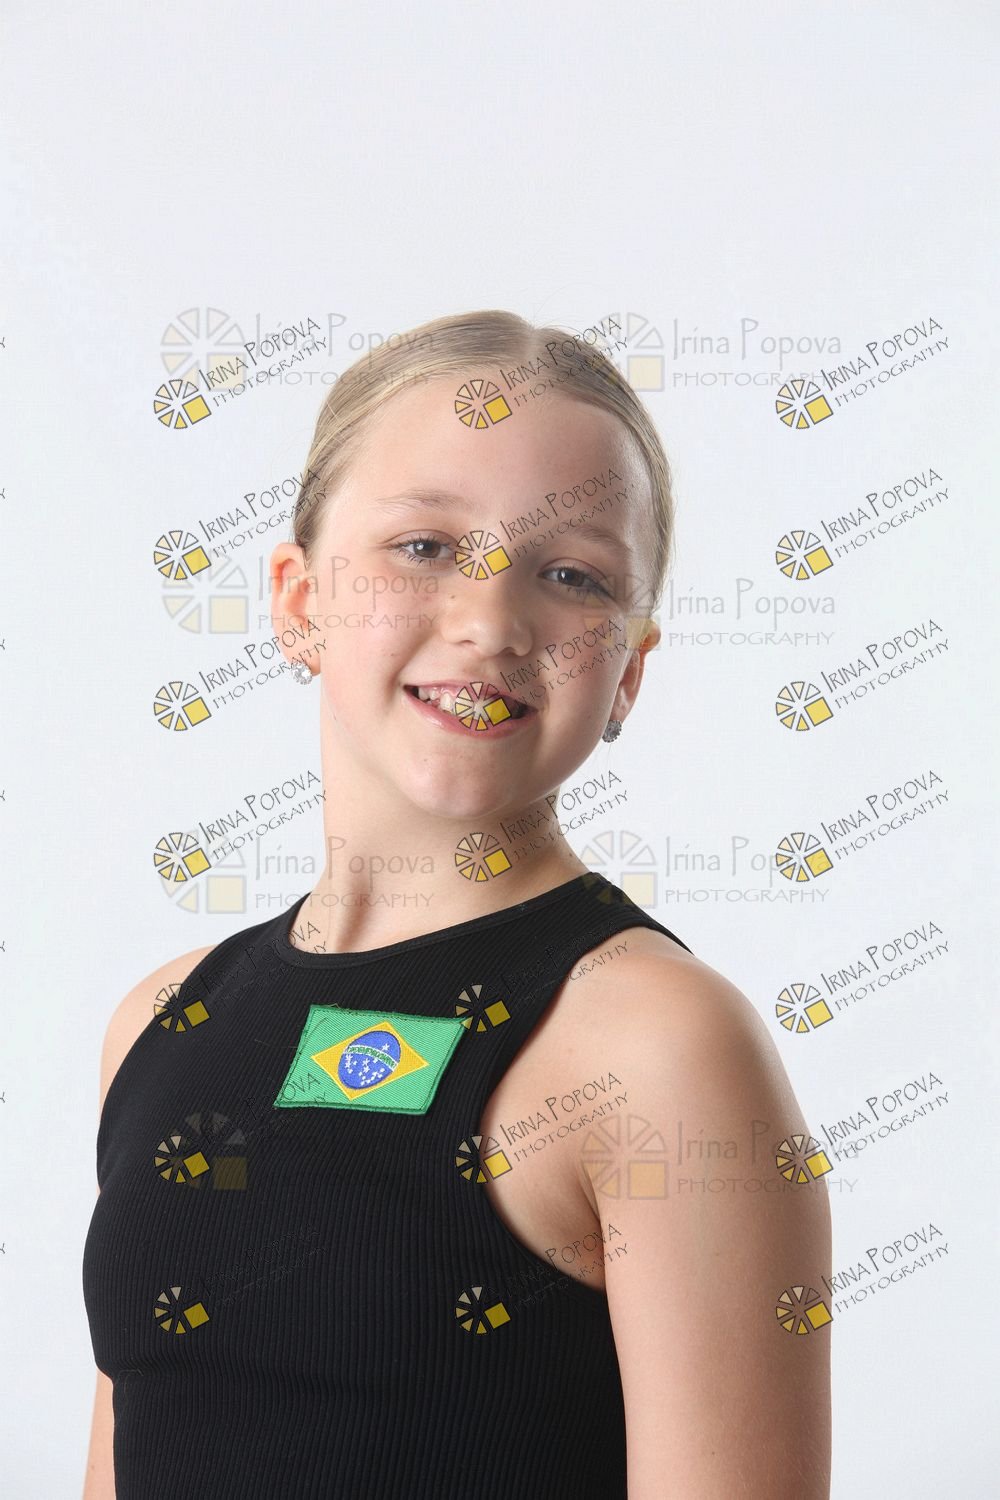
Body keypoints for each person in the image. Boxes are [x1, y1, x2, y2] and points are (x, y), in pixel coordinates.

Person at [82, 309, 831, 1499]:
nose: (489, 623)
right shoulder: (164, 1020)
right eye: (424, 546)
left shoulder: (656, 1047)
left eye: (572, 576)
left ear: (628, 669)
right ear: (297, 601)